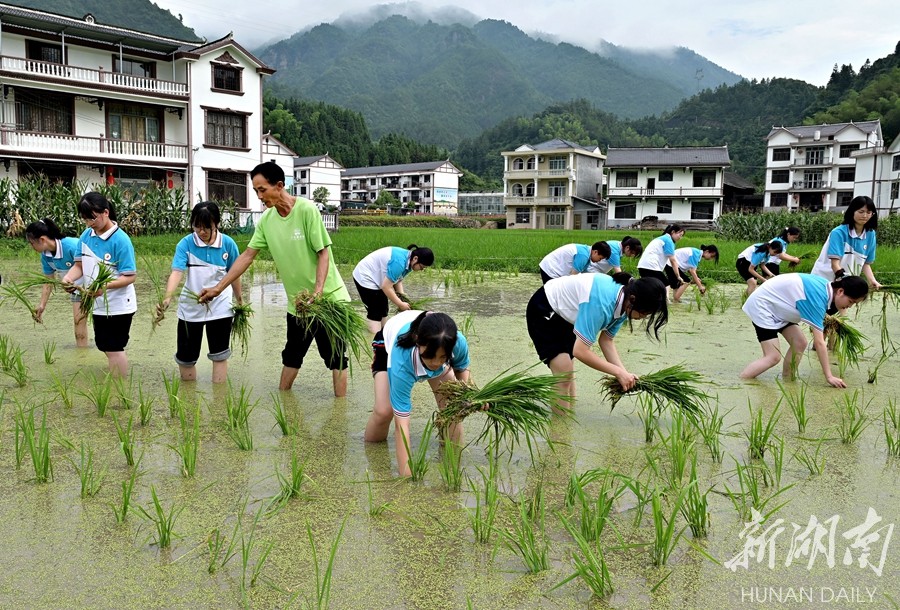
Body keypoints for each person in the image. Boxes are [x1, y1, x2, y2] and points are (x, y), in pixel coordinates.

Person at [199, 162, 351, 395]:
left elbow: (323, 253)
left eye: (262, 190)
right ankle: (284, 399)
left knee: (336, 358)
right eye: (256, 191)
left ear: (279, 186)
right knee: (292, 355)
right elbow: (248, 256)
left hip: (328, 301)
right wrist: (218, 289)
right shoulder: (267, 221)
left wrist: (318, 291)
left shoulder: (306, 210)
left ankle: (340, 411)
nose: (259, 196)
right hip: (298, 304)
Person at [526, 272, 668, 410]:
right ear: (632, 299)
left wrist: (625, 374)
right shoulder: (602, 303)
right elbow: (580, 351)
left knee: (567, 372)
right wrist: (618, 373)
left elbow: (606, 341)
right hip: (545, 308)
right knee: (563, 374)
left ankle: (570, 411)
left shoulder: (625, 304)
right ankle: (560, 429)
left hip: (569, 314)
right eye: (644, 313)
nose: (643, 318)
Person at [364, 310, 470, 477]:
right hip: (388, 346)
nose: (435, 363)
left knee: (452, 408)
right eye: (430, 357)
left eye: (443, 357)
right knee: (384, 411)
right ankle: (370, 451)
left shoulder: (456, 341)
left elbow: (461, 370)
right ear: (418, 342)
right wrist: (407, 478)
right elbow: (402, 424)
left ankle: (454, 462)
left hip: (433, 344)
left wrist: (468, 399)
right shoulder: (401, 362)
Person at [156, 202, 242, 383]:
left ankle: (219, 400)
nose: (201, 232)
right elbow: (177, 272)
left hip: (220, 307)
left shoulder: (228, 244)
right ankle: (188, 399)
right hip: (191, 308)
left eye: (206, 228)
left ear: (216, 224)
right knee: (186, 358)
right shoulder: (186, 243)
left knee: (219, 354)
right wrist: (167, 297)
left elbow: (235, 274)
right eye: (197, 227)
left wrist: (240, 301)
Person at [740, 274, 868, 387]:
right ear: (840, 291)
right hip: (763, 306)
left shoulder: (826, 288)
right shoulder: (817, 299)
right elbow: (819, 343)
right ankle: (742, 381)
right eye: (850, 301)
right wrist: (829, 376)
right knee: (773, 357)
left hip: (780, 307)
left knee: (799, 343)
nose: (850, 306)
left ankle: (788, 380)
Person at [61, 192, 137, 377]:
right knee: (104, 345)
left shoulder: (121, 240)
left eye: (92, 219)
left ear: (105, 212)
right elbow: (79, 265)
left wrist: (104, 287)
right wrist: (68, 278)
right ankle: (117, 382)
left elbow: (130, 276)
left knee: (114, 347)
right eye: (85, 219)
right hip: (98, 304)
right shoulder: (86, 235)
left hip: (119, 305)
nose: (89, 224)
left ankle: (119, 389)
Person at [25, 218, 88, 346]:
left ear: (42, 239)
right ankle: (82, 354)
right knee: (78, 321)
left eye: (32, 243)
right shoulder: (46, 256)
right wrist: (42, 305)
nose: (31, 247)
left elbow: (89, 266)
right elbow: (48, 281)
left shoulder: (71, 246)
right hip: (77, 290)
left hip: (93, 286)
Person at [352, 244, 434, 333]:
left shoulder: (409, 262)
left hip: (379, 278)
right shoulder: (399, 262)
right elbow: (386, 287)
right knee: (375, 311)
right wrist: (400, 304)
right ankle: (373, 338)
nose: (422, 270)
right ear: (415, 259)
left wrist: (402, 297)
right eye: (422, 267)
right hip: (365, 277)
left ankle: (383, 334)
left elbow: (397, 280)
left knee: (383, 309)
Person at [811, 196, 881, 290]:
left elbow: (865, 263)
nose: (865, 215)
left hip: (846, 283)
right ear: (852, 211)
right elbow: (835, 264)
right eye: (861, 212)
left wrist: (872, 281)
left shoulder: (870, 234)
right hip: (824, 280)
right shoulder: (839, 232)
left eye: (868, 212)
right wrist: (845, 280)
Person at [637, 224, 685, 293]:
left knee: (648, 288)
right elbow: (673, 261)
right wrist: (678, 276)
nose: (680, 237)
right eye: (680, 235)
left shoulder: (662, 238)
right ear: (673, 232)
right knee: (665, 285)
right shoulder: (668, 241)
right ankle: (666, 302)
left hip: (642, 266)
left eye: (682, 236)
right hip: (651, 266)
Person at [538, 241, 611, 284]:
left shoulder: (587, 254)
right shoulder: (584, 255)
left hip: (553, 268)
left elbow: (584, 274)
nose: (599, 261)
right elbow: (573, 277)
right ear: (595, 252)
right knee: (553, 294)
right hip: (551, 269)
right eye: (600, 258)